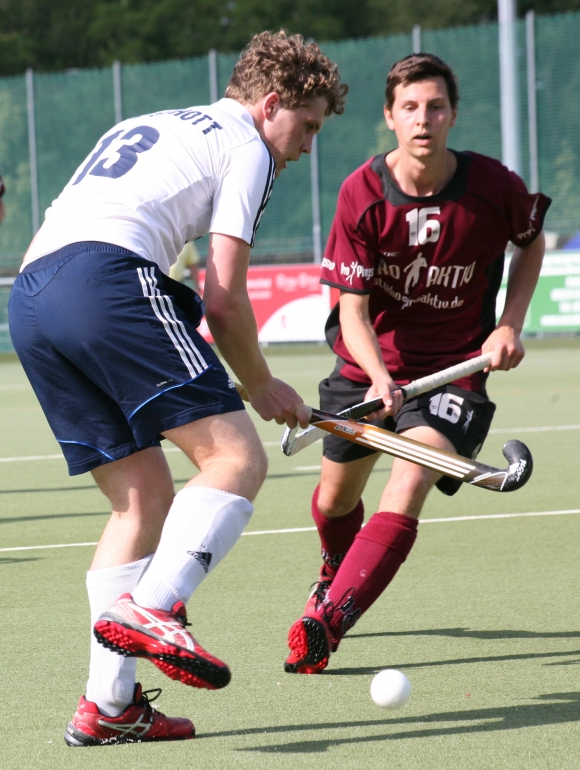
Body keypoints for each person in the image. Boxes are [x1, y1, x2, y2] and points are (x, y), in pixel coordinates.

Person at [8, 30, 347, 745]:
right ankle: (152, 606)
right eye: (308, 125)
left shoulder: (149, 122)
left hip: (31, 300)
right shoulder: (248, 147)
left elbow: (177, 285)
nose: (307, 145)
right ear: (272, 103)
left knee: (142, 498)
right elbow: (223, 299)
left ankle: (108, 707)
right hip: (104, 281)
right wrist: (259, 385)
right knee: (235, 459)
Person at [284, 53, 550, 675]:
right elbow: (351, 309)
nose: (423, 119)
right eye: (410, 108)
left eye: (435, 107)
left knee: (408, 481)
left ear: (453, 114)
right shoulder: (362, 192)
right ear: (390, 116)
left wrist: (509, 322)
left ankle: (327, 620)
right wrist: (379, 381)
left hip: (454, 372)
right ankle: (335, 568)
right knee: (333, 500)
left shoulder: (494, 186)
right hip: (368, 366)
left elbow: (530, 241)